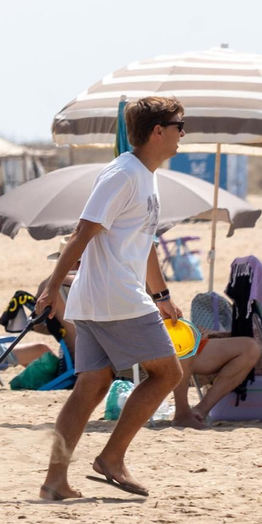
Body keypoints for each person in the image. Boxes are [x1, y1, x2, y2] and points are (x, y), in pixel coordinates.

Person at [34, 96, 186, 500]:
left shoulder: (146, 176)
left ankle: (54, 481)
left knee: (92, 385)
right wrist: (51, 287)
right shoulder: (123, 174)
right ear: (158, 131)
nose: (182, 135)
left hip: (106, 296)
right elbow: (82, 232)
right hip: (115, 296)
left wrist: (162, 294)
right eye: (178, 126)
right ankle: (112, 457)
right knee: (168, 374)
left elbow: (144, 240)